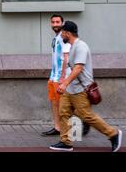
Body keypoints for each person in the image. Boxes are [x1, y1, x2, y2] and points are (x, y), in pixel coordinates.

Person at [49, 21, 123, 152]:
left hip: (80, 90)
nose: (61, 36)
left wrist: (65, 83)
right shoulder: (72, 46)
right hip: (70, 89)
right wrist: (65, 82)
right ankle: (66, 142)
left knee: (87, 116)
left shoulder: (81, 46)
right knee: (63, 113)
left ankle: (113, 133)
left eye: (63, 33)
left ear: (67, 33)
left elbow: (78, 68)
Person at [41, 14, 71, 136]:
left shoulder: (64, 37)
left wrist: (63, 77)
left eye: (57, 22)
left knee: (64, 105)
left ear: (62, 23)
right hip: (53, 77)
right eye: (53, 22)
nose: (55, 24)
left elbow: (66, 58)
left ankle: (76, 127)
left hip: (60, 77)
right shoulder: (55, 38)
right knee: (54, 103)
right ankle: (57, 127)